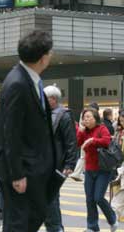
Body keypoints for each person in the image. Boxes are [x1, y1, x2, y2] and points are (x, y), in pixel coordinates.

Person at [0, 29, 55, 232]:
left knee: (33, 217)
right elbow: (11, 133)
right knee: (19, 222)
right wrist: (17, 174)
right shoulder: (18, 83)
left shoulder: (30, 80)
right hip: (21, 168)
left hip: (33, 166)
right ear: (43, 58)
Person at [77, 107, 118, 232]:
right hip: (89, 169)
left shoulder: (102, 128)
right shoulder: (84, 131)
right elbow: (78, 143)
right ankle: (92, 227)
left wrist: (92, 140)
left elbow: (106, 141)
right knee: (89, 199)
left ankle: (112, 218)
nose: (86, 119)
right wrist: (80, 131)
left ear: (95, 118)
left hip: (103, 169)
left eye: (89, 117)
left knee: (98, 198)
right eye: (84, 117)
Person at [43, 85, 77, 232]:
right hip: (43, 163)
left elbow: (71, 142)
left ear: (53, 99)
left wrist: (70, 164)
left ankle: (55, 228)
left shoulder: (64, 115)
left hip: (57, 164)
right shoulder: (44, 114)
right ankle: (55, 227)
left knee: (50, 196)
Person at [111, 109, 124, 222]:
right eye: (121, 120)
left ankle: (116, 210)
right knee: (120, 187)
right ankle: (116, 211)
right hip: (120, 162)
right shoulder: (119, 131)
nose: (122, 122)